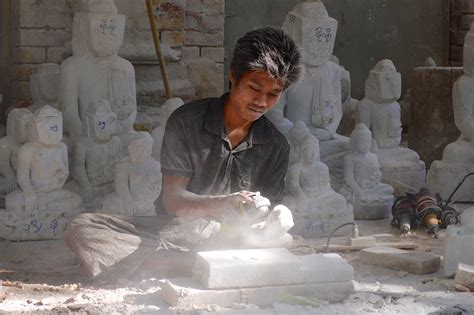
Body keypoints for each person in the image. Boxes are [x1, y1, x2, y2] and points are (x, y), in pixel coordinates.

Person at [65, 26, 303, 279]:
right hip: (171, 232)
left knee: (283, 239)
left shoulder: (276, 145)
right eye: (255, 88)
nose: (262, 102)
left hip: (233, 241)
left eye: (274, 94)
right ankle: (194, 265)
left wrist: (275, 217)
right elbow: (172, 199)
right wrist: (221, 203)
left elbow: (263, 219)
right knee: (83, 228)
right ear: (233, 76)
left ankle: (178, 265)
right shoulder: (187, 121)